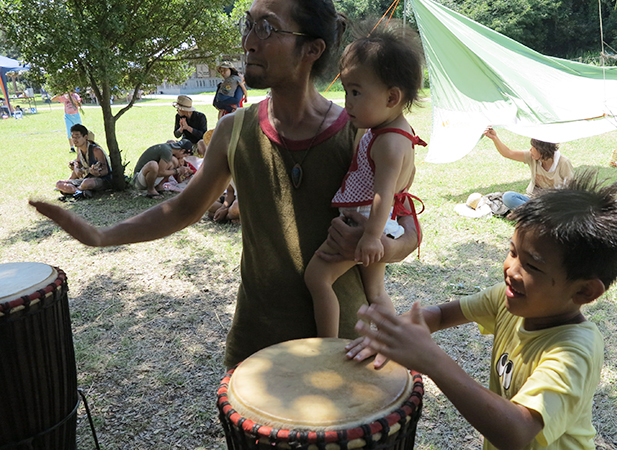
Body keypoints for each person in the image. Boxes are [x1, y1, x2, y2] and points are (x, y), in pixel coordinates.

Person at [30, 0, 418, 369]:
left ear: (312, 49)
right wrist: (102, 236)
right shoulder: (234, 131)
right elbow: (183, 208)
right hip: (259, 343)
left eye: (266, 27)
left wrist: (383, 245)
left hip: (350, 344)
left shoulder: (363, 128)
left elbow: (407, 224)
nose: (248, 41)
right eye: (247, 25)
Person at [347, 172, 617, 450]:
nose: (511, 270)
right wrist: (397, 333)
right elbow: (443, 315)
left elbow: (517, 432)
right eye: (512, 252)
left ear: (584, 291)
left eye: (532, 266)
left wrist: (432, 359)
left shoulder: (574, 352)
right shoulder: (510, 299)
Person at [304, 24, 426, 337]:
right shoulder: (392, 131)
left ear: (392, 97)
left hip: (367, 226)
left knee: (317, 278)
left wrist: (371, 238)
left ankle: (326, 346)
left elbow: (384, 194)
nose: (348, 102)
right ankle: (388, 344)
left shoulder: (388, 142)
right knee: (376, 294)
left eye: (356, 92)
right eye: (346, 91)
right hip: (376, 224)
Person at [483, 128, 574, 210]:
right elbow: (508, 153)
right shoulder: (532, 156)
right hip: (533, 201)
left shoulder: (563, 162)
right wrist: (495, 138)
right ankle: (538, 216)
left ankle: (535, 216)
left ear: (542, 150)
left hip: (554, 205)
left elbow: (572, 190)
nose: (530, 150)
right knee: (508, 197)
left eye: (533, 148)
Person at [55, 125, 112, 199]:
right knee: (59, 183)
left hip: (101, 180)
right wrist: (76, 168)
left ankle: (76, 191)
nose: (75, 140)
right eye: (73, 137)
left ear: (85, 137)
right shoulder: (79, 149)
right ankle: (80, 192)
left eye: (78, 137)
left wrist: (97, 172)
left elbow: (106, 170)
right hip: (85, 178)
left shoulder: (96, 150)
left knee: (87, 183)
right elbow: (78, 163)